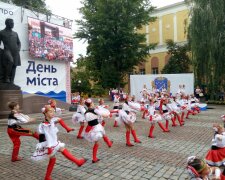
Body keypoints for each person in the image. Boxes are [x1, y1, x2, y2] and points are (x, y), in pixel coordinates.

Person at [31, 105, 86, 180]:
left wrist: (67, 128)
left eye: (53, 112)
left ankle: (47, 177)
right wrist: (50, 149)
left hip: (51, 143)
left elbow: (59, 119)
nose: (53, 113)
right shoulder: (46, 125)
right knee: (60, 150)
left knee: (54, 157)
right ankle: (77, 162)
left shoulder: (51, 120)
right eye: (50, 112)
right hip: (49, 144)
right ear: (45, 113)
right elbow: (48, 137)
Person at [84, 98, 113, 163]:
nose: (94, 103)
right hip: (96, 127)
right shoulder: (94, 110)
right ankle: (94, 158)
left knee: (104, 134)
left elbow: (88, 120)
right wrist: (109, 115)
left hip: (91, 127)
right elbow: (104, 115)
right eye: (93, 103)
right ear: (91, 104)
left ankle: (109, 143)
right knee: (98, 141)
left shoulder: (86, 112)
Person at [0, 18, 21, 83]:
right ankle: (6, 78)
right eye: (11, 23)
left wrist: (18, 49)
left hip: (15, 52)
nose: (12, 24)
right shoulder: (1, 32)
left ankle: (12, 81)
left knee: (14, 66)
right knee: (10, 61)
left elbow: (19, 42)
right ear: (7, 23)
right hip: (7, 50)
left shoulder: (15, 33)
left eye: (13, 23)